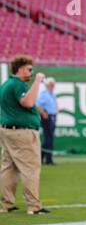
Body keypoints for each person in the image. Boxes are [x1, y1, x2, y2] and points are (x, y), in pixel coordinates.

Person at [0, 55, 50, 215]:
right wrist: (37, 81)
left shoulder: (7, 84)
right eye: (29, 69)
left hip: (8, 131)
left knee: (9, 168)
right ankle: (34, 206)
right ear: (20, 69)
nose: (32, 72)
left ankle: (6, 204)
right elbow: (27, 103)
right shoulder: (18, 85)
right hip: (22, 133)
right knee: (30, 169)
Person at [36, 77, 58, 165]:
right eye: (51, 84)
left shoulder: (52, 94)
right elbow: (37, 105)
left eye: (53, 84)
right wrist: (43, 113)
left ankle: (43, 158)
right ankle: (47, 159)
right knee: (48, 139)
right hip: (47, 117)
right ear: (47, 85)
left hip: (52, 116)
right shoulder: (44, 94)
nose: (53, 86)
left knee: (50, 138)